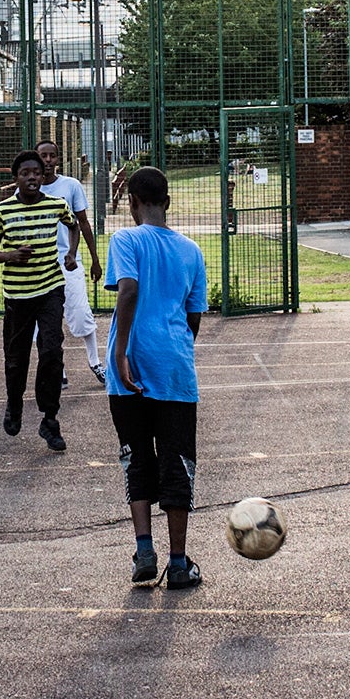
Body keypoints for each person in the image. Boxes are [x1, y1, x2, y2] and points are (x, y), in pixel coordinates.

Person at [105, 165, 209, 589]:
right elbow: (194, 315)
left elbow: (127, 290)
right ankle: (179, 562)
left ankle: (144, 550)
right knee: (178, 461)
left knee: (136, 458)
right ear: (168, 201)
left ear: (131, 203)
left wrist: (120, 349)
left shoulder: (125, 239)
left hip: (129, 366)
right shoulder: (192, 250)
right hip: (174, 369)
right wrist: (176, 349)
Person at [0, 149, 77, 451]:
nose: (32, 177)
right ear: (16, 179)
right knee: (16, 358)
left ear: (43, 176)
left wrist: (72, 253)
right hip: (17, 295)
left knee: (51, 351)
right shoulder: (2, 211)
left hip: (50, 288)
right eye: (25, 173)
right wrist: (11, 256)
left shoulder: (56, 205)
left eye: (36, 172)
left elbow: (73, 225)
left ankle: (50, 420)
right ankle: (14, 403)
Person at [32, 137, 104, 385]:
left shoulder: (71, 186)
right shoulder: (29, 189)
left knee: (81, 313)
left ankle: (96, 363)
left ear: (58, 159)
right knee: (45, 323)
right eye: (43, 156)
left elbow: (82, 223)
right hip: (41, 267)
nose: (48, 160)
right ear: (36, 159)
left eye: (52, 155)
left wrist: (94, 258)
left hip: (69, 263)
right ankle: (56, 369)